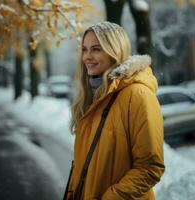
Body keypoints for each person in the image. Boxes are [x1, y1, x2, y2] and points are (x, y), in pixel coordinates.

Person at [67, 21, 165, 200]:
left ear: (115, 51)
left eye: (96, 49)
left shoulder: (138, 95)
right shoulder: (93, 99)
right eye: (85, 49)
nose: (87, 56)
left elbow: (150, 167)